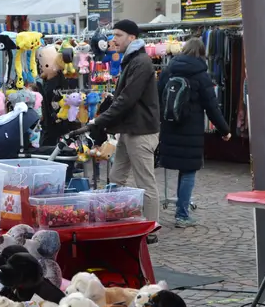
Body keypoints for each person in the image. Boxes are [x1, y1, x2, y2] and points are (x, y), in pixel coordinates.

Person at [90, 19, 161, 244]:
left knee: (145, 182)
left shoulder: (141, 62)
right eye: (113, 35)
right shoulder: (131, 60)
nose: (114, 40)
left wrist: (100, 120)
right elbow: (123, 99)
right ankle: (113, 218)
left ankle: (151, 229)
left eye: (119, 35)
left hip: (141, 132)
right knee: (116, 176)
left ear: (132, 37)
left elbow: (127, 99)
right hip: (129, 129)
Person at [157, 38, 231, 228]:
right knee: (188, 171)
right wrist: (224, 130)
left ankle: (180, 211)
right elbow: (212, 107)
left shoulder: (168, 70)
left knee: (183, 170)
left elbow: (157, 98)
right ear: (201, 53)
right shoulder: (201, 75)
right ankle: (182, 215)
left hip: (169, 128)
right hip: (191, 132)